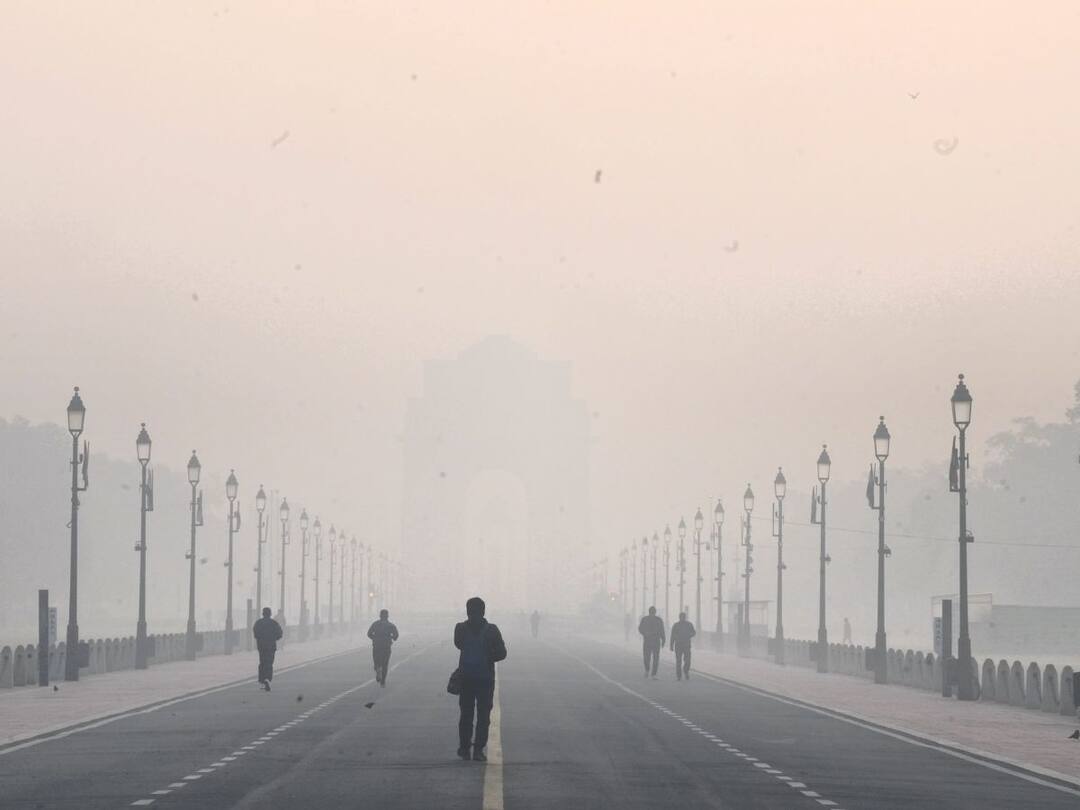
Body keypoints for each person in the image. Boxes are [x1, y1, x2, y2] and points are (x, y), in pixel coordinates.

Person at [454, 596, 507, 762]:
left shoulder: (460, 628)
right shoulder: (492, 630)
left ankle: (464, 748)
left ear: (467, 611)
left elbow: (459, 645)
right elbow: (502, 653)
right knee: (484, 716)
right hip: (485, 679)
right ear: (483, 611)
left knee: (466, 715)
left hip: (467, 678)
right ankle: (478, 750)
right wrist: (488, 655)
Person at [253, 607, 283, 691]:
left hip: (261, 646)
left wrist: (261, 639)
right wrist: (273, 638)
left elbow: (255, 634)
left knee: (262, 662)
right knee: (269, 663)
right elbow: (280, 634)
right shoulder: (274, 623)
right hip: (271, 646)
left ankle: (262, 680)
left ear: (263, 613)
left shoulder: (258, 623)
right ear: (270, 614)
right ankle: (268, 679)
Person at [367, 609, 399, 687]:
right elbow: (396, 635)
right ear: (387, 616)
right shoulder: (391, 625)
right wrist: (391, 637)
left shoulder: (375, 624)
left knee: (376, 661)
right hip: (386, 646)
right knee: (385, 664)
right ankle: (383, 682)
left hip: (376, 646)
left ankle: (377, 668)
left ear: (380, 616)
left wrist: (374, 638)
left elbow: (369, 634)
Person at [638, 606, 665, 679]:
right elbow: (662, 631)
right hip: (653, 641)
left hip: (649, 641)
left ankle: (650, 671)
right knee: (652, 657)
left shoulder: (646, 619)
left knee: (649, 657)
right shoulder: (657, 620)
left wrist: (644, 633)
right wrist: (663, 640)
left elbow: (640, 629)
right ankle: (651, 672)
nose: (652, 613)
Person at [670, 611, 696, 681]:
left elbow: (694, 632)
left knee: (687, 660)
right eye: (681, 617)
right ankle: (679, 676)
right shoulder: (676, 625)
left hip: (686, 645)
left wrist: (689, 635)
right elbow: (672, 636)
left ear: (685, 617)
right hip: (678, 645)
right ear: (679, 617)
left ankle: (686, 670)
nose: (682, 618)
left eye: (683, 617)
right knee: (678, 661)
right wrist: (671, 645)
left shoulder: (689, 624)